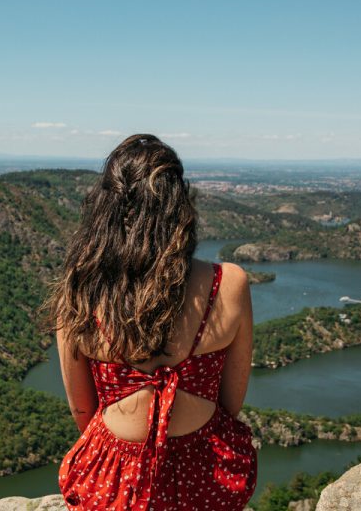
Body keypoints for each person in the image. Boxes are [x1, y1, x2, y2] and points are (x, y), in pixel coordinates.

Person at [46, 134, 257, 510]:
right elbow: (230, 404)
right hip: (205, 473)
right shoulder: (229, 284)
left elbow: (83, 411)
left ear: (105, 210)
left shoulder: (79, 292)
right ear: (180, 207)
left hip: (114, 479)